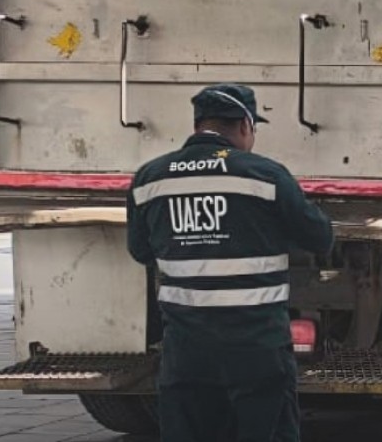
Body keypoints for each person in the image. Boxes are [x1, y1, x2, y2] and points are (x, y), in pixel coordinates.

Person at [126, 84, 335, 442]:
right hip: (257, 348)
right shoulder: (266, 175)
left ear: (198, 125)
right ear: (244, 125)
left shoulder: (149, 178)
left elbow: (141, 252)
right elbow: (320, 238)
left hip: (186, 351)